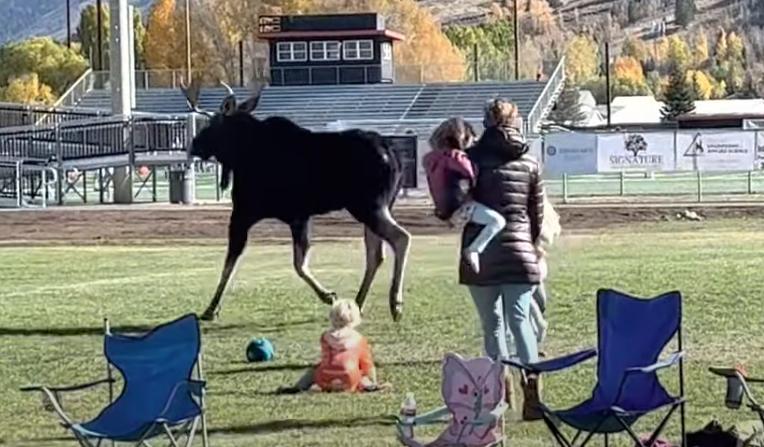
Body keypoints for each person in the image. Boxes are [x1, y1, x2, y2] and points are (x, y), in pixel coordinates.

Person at [459, 98, 545, 421]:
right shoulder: (530, 162)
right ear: (515, 122)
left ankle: (500, 394)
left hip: (481, 253)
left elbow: (460, 204)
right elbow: (535, 217)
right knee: (521, 322)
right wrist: (530, 246)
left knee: (492, 326)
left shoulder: (471, 160)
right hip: (520, 252)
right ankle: (532, 395)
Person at [423, 117, 507, 273]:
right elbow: (472, 176)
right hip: (462, 206)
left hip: (444, 209)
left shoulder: (430, 158)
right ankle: (475, 249)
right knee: (497, 222)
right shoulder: (457, 157)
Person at [277, 299, 387, 393]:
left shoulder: (325, 337)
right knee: (361, 370)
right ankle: (369, 386)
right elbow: (368, 365)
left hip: (325, 379)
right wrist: (373, 379)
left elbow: (327, 359)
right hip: (349, 379)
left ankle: (298, 387)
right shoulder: (359, 339)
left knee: (314, 370)